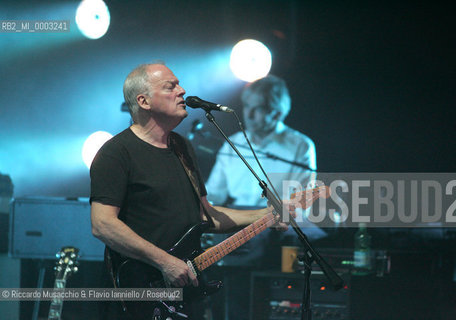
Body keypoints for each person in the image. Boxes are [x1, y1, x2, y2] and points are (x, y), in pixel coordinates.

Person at [89, 62, 289, 320]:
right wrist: (165, 262)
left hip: (181, 292)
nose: (182, 91)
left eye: (179, 84)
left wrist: (267, 215)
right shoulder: (116, 152)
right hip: (137, 293)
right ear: (144, 101)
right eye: (170, 86)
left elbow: (205, 216)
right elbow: (102, 224)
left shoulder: (182, 148)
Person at [206, 75, 317, 208]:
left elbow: (302, 204)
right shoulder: (233, 143)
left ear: (277, 114)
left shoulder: (301, 146)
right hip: (238, 220)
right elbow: (213, 195)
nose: (249, 115)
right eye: (247, 106)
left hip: (278, 222)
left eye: (258, 108)